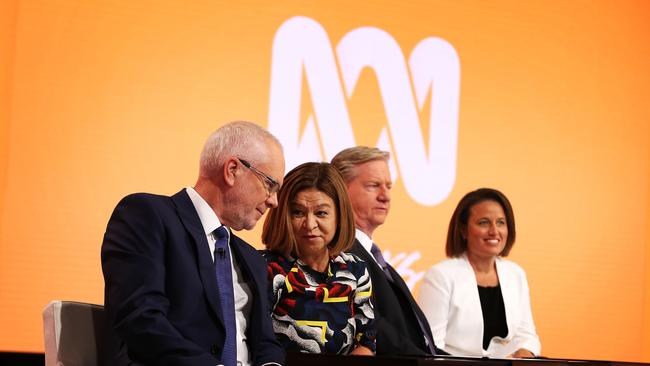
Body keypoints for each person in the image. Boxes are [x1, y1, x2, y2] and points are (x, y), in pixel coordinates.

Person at [101, 121, 286, 366]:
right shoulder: (147, 215)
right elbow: (140, 319)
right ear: (232, 170)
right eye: (270, 185)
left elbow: (265, 343)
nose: (274, 201)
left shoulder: (252, 259)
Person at [331, 146, 437, 356]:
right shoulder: (337, 252)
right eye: (373, 185)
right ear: (340, 189)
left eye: (388, 186)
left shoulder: (371, 254)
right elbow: (374, 328)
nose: (385, 196)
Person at [261, 162, 376, 355]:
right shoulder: (265, 267)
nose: (310, 224)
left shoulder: (355, 269)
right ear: (282, 215)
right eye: (297, 212)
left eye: (321, 213)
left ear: (339, 216)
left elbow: (366, 344)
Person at [418, 188, 541, 358]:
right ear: (463, 230)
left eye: (501, 222)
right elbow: (431, 346)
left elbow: (526, 335)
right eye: (483, 222)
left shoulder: (515, 274)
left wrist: (524, 354)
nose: (494, 231)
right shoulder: (440, 276)